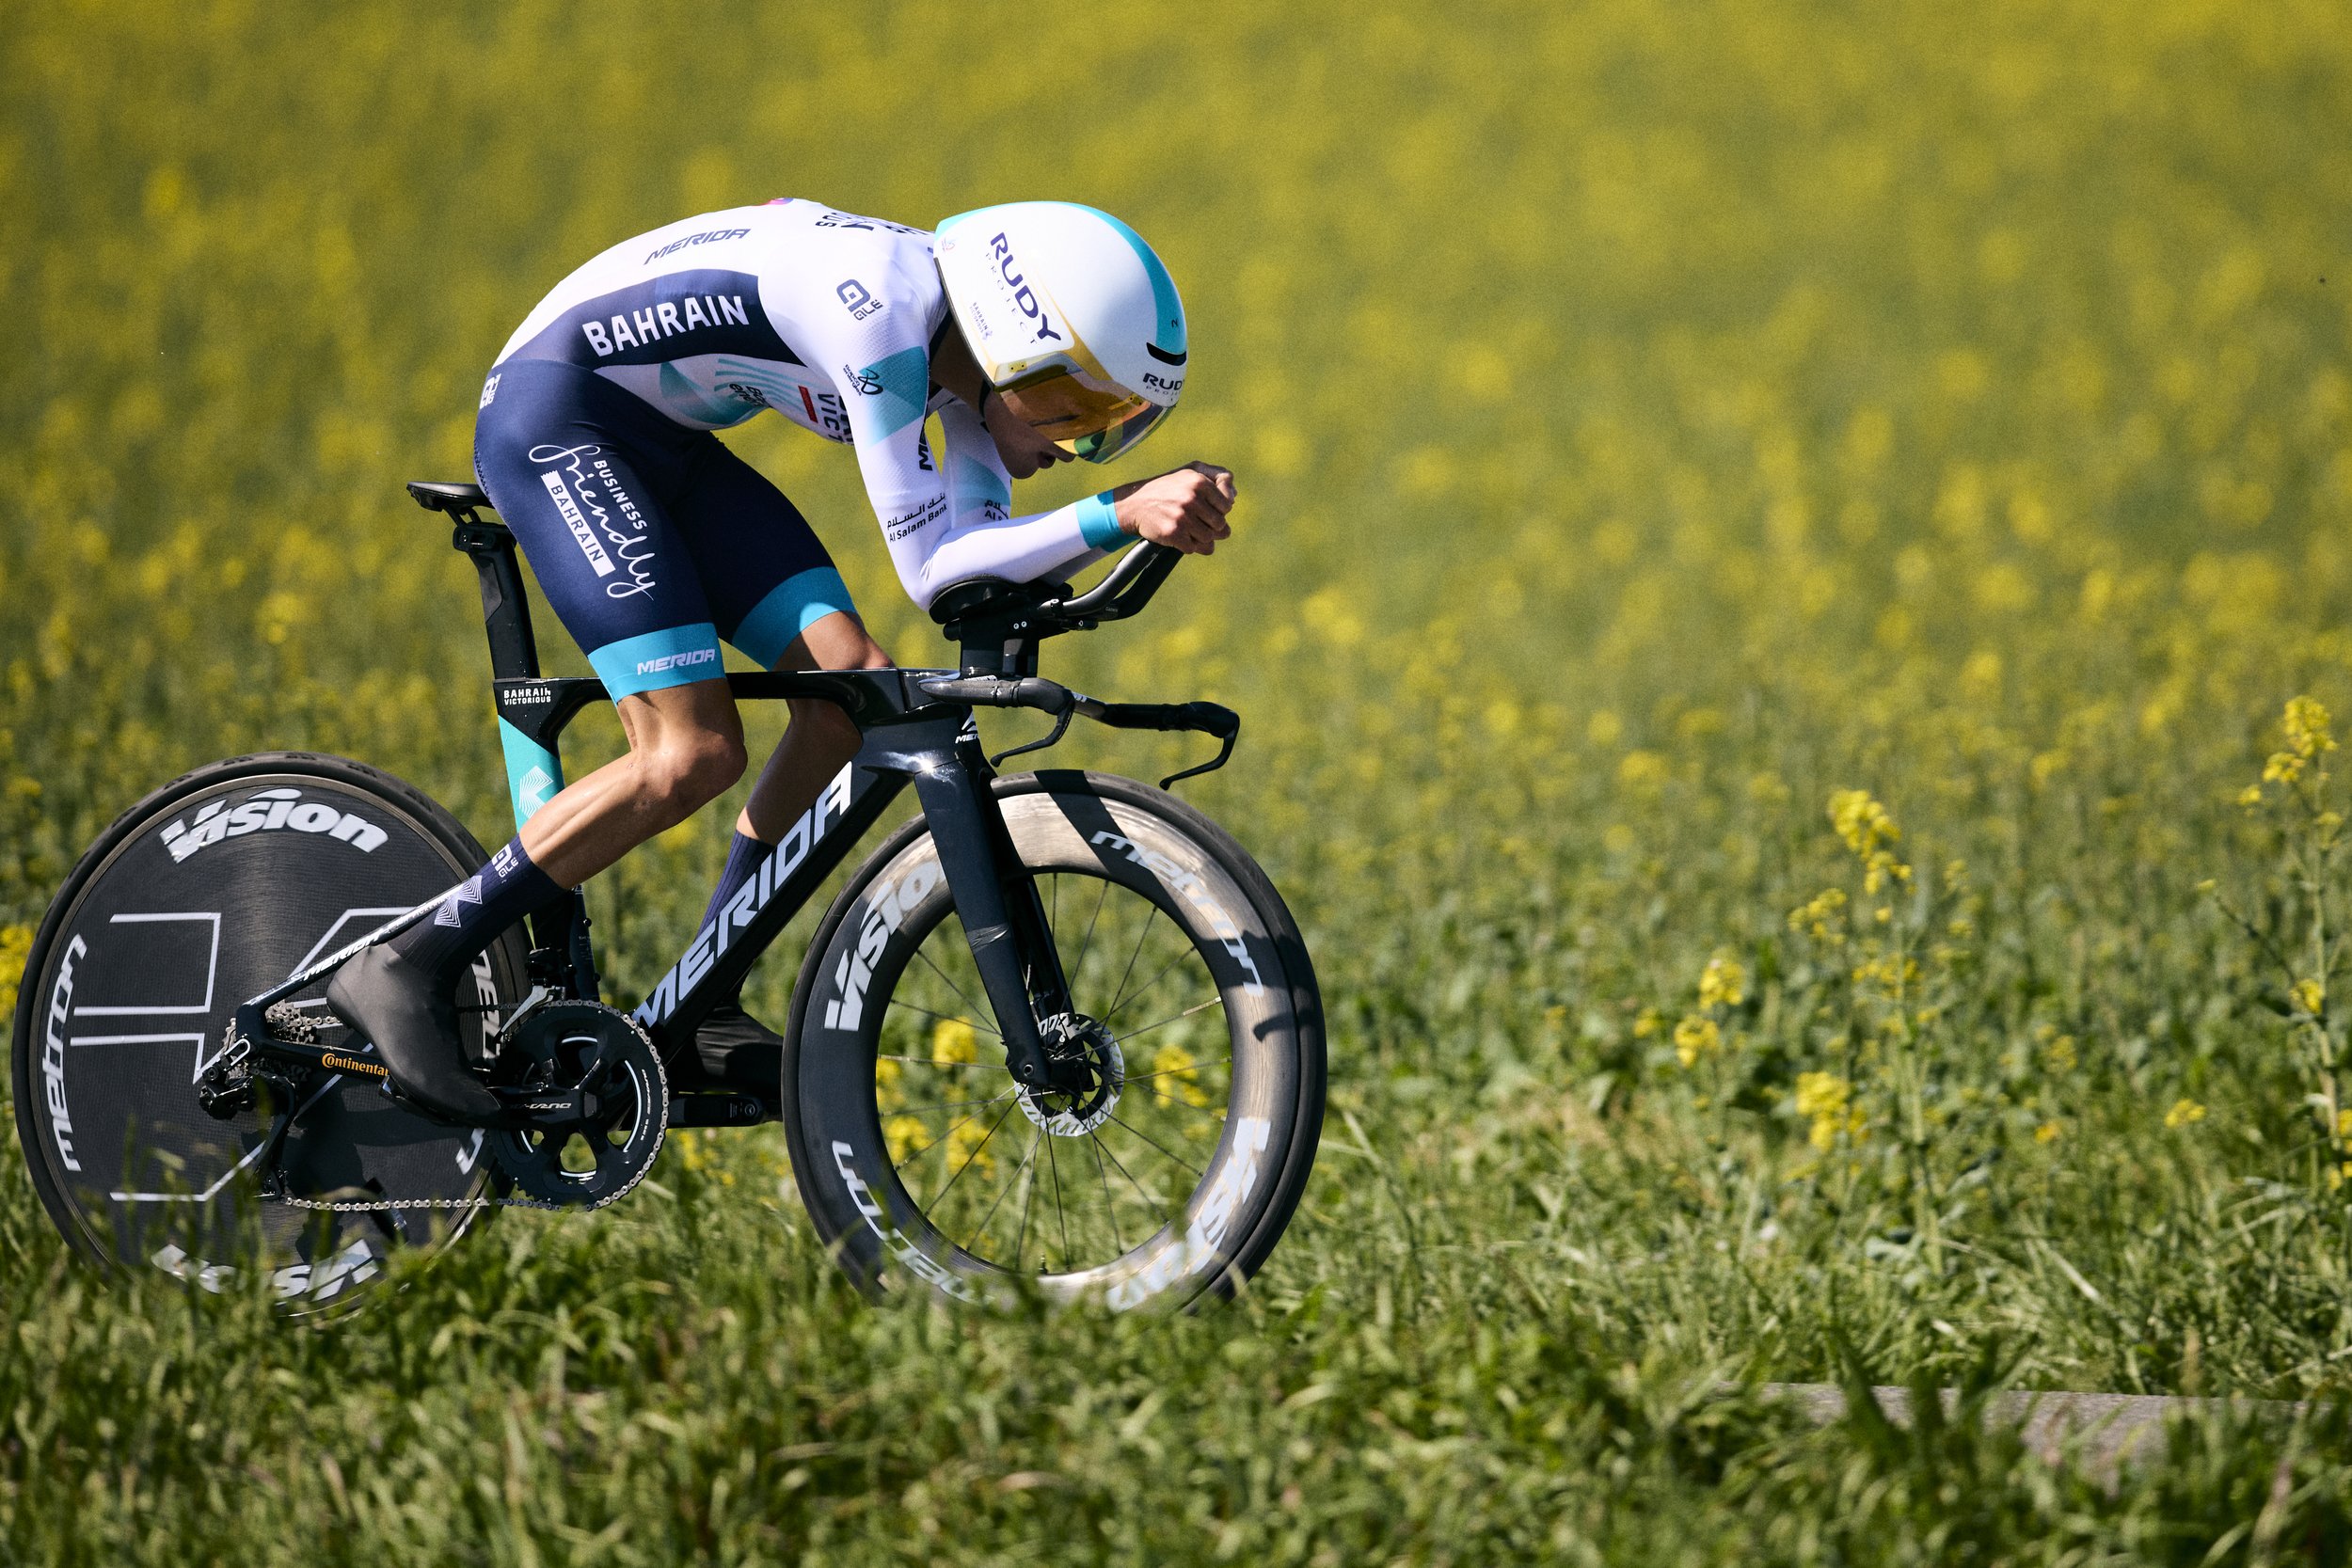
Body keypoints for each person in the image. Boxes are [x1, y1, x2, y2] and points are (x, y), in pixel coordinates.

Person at [327, 199, 1237, 1123]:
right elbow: (932, 571)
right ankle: (405, 960)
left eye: (1116, 423)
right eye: (1080, 410)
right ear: (1013, 351)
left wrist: (1117, 532)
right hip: (558, 416)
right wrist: (1119, 511)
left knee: (845, 698)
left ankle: (705, 996)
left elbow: (977, 568)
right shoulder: (884, 320)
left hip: (662, 442)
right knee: (688, 752)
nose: (1083, 447)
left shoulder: (967, 364)